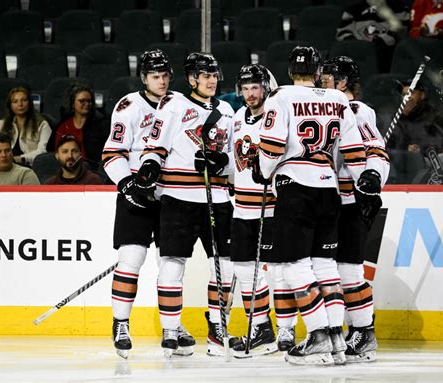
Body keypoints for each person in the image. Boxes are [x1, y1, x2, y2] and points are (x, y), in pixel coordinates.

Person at [256, 46, 366, 366]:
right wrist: (362, 183)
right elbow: (354, 149)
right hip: (328, 186)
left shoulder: (280, 96)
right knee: (325, 265)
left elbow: (273, 145)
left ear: (291, 71)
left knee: (295, 265)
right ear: (318, 71)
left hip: (296, 185)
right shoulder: (338, 99)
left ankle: (318, 335)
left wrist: (263, 172)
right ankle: (335, 339)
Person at [138, 52, 236, 357]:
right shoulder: (174, 105)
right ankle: (170, 329)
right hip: (178, 198)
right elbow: (154, 146)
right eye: (204, 75)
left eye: (214, 75)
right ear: (192, 79)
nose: (210, 80)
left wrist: (224, 162)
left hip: (218, 199)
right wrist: (150, 166)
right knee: (172, 264)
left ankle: (218, 326)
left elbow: (237, 159)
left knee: (224, 265)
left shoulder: (229, 110)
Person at [101, 50, 194, 359]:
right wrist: (126, 185)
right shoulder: (129, 106)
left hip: (172, 195)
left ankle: (172, 325)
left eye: (166, 75)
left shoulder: (181, 103)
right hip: (136, 196)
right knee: (131, 259)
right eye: (156, 76)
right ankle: (121, 324)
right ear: (144, 78)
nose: (163, 81)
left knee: (172, 264)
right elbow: (112, 153)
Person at [321, 56, 390, 363]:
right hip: (323, 201)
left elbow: (376, 151)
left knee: (348, 270)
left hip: (349, 201)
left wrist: (372, 177)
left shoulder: (358, 111)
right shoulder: (325, 107)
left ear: (344, 82)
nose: (322, 80)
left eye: (328, 76)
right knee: (323, 271)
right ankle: (330, 333)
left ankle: (363, 332)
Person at [228, 64, 279, 358]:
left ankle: (284, 329)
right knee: (245, 270)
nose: (249, 94)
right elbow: (236, 163)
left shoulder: (277, 117)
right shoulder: (237, 117)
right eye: (245, 89)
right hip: (242, 207)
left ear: (266, 87)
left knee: (279, 274)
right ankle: (260, 328)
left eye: (255, 88)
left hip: (271, 208)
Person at [50, 83, 110, 169]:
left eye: (89, 101)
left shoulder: (102, 124)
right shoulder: (64, 126)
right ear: (73, 104)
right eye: (82, 101)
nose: (87, 104)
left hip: (94, 170)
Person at [0, 86, 51, 166]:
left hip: (29, 166)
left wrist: (20, 158)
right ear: (10, 106)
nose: (20, 104)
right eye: (15, 101)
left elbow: (42, 152)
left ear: (29, 103)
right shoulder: (0, 124)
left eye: (24, 100)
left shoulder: (42, 124)